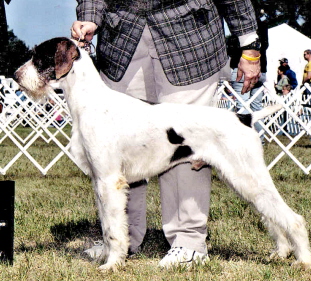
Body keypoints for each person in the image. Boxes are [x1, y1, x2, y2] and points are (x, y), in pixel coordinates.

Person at [71, 0, 261, 268]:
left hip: (190, 41)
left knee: (185, 147)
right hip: (122, 44)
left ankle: (188, 241)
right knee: (119, 149)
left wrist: (250, 46)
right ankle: (120, 240)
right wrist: (89, 18)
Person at [229, 7, 269, 136]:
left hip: (243, 69)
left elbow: (232, 47)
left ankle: (244, 141)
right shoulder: (263, 25)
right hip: (261, 69)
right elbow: (266, 44)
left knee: (242, 106)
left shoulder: (239, 27)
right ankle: (260, 139)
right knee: (257, 108)